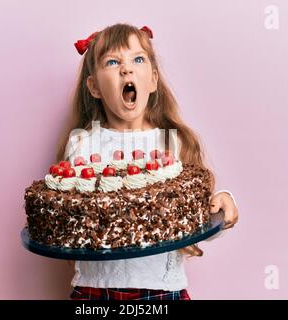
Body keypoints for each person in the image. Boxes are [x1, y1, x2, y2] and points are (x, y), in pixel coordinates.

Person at [54, 23, 239, 300]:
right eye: (113, 62)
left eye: (137, 59)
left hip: (163, 291)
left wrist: (221, 205)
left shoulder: (171, 143)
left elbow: (191, 222)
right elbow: (70, 219)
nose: (126, 69)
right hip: (95, 290)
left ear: (152, 80)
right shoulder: (83, 144)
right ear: (94, 87)